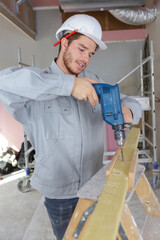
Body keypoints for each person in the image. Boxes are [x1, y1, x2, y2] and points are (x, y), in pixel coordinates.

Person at [0, 14, 141, 240]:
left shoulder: (93, 82)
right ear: (64, 42)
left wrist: (129, 112)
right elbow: (3, 81)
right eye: (81, 48)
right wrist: (69, 85)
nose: (85, 58)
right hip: (60, 195)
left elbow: (129, 101)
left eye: (90, 53)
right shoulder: (36, 83)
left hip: (94, 184)